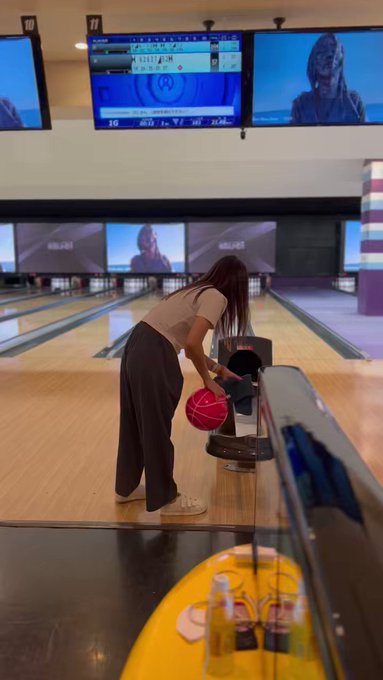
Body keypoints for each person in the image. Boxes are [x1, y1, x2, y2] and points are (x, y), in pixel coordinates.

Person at [115, 255, 249, 516]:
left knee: (134, 421)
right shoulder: (217, 297)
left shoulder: (194, 290)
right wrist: (208, 381)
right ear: (237, 286)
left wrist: (218, 369)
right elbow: (191, 344)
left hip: (137, 343)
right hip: (155, 351)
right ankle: (167, 500)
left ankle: (126, 488)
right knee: (156, 427)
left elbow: (189, 349)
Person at [291, 32, 365, 125]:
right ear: (314, 61)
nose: (330, 55)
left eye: (334, 50)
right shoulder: (301, 104)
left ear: (341, 60)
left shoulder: (354, 102)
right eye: (323, 51)